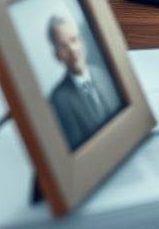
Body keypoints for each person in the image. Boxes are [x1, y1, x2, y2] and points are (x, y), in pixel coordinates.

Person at [47, 14, 122, 151]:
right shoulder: (58, 101)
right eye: (64, 46)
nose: (72, 49)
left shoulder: (103, 74)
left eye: (74, 40)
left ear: (82, 42)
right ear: (57, 56)